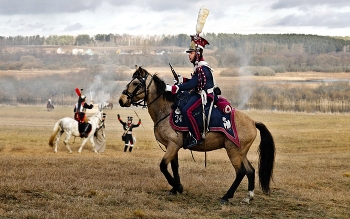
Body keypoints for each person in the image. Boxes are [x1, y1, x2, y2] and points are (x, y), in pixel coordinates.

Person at [165, 35, 216, 148]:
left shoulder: (202, 68)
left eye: (191, 53)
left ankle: (197, 137)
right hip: (198, 93)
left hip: (205, 96)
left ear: (198, 53)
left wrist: (175, 88)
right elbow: (194, 81)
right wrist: (181, 79)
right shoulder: (198, 67)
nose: (189, 55)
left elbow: (193, 84)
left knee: (186, 110)